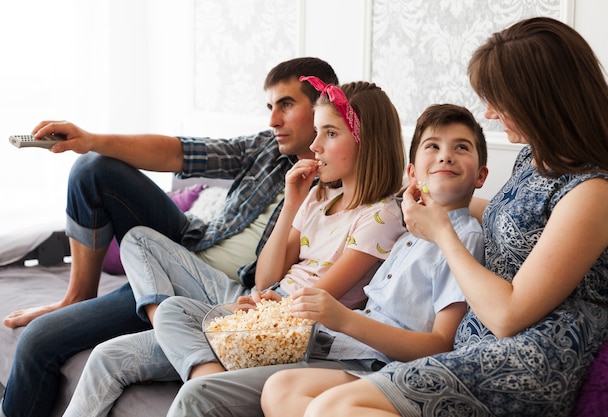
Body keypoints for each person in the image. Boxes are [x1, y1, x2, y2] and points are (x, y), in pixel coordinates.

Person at [262, 17, 608, 417]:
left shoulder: (592, 191)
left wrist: (442, 233)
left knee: (334, 409)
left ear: (538, 99)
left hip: (531, 354)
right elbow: (514, 219)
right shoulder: (535, 161)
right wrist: (420, 196)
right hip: (478, 342)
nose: (488, 112)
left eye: (497, 99)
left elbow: (508, 316)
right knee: (284, 392)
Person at [0, 57, 339, 417]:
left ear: (322, 105)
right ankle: (80, 295)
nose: (273, 120)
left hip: (221, 295)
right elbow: (181, 151)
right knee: (92, 166)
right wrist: (90, 139)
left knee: (38, 342)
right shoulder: (265, 147)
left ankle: (166, 320)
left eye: (286, 105)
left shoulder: (341, 184)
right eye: (270, 107)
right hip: (179, 253)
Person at [61, 78, 407, 417]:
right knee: (121, 340)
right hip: (266, 307)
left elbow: (316, 302)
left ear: (368, 142)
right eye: (317, 132)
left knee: (151, 330)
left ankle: (204, 370)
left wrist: (263, 309)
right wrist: (291, 203)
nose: (315, 146)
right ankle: (205, 366)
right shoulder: (319, 195)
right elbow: (265, 277)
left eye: (330, 134)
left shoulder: (381, 216)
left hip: (293, 330)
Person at [151, 102, 489, 417]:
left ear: (481, 176)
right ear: (413, 173)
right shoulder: (410, 225)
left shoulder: (460, 238)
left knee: (202, 392)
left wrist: (339, 317)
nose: (446, 156)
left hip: (375, 361)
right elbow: (267, 277)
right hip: (341, 343)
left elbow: (442, 344)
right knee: (171, 320)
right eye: (434, 146)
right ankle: (215, 365)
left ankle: (213, 369)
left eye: (461, 147)